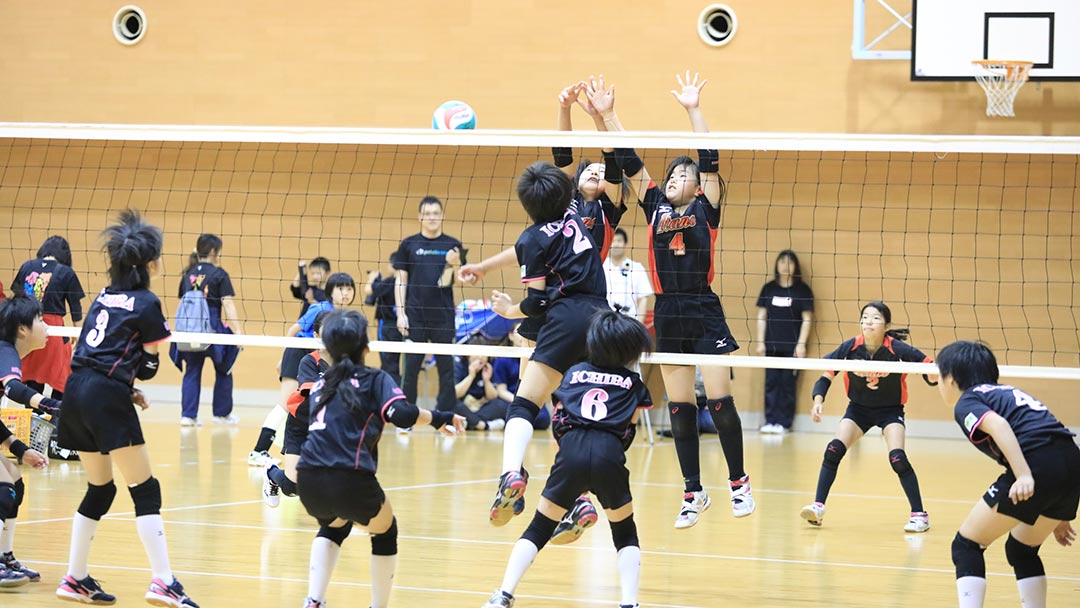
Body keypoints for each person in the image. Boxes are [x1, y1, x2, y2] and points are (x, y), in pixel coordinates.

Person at [593, 72, 755, 528]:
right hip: (668, 311)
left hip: (702, 307)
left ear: (698, 186)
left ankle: (739, 483)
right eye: (671, 174)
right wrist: (609, 115)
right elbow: (629, 160)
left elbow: (709, 158)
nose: (675, 178)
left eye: (684, 175)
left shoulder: (707, 208)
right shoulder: (655, 207)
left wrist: (693, 110)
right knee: (680, 408)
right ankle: (693, 492)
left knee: (719, 401)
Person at [55, 210, 199, 607]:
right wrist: (132, 380)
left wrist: (123, 387)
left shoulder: (103, 296)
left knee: (100, 489)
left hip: (76, 389)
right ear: (150, 263)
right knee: (145, 489)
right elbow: (149, 367)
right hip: (104, 395)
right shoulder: (147, 302)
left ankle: (75, 577)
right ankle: (163, 581)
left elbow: (95, 354)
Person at [482, 310, 652, 608]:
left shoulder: (571, 374)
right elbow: (630, 431)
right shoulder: (635, 384)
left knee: (539, 528)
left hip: (571, 452)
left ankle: (503, 595)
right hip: (610, 454)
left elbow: (558, 420)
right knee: (625, 532)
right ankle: (629, 603)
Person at [296, 309, 465, 608]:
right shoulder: (374, 379)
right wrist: (440, 417)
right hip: (348, 477)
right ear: (367, 347)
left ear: (328, 348)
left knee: (335, 525)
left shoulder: (322, 383)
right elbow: (401, 414)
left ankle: (314, 601)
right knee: (386, 531)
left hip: (308, 479)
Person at [482, 161, 610, 538]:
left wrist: (509, 311)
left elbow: (537, 303)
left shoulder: (532, 239)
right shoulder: (574, 213)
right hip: (601, 320)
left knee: (525, 403)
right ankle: (580, 498)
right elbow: (562, 165)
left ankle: (510, 474)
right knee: (569, 414)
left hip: (565, 318)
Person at [936, 340, 1079, 608]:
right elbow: (1052, 440)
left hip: (1037, 464)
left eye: (938, 376)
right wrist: (1058, 512)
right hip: (1072, 466)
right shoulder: (1006, 391)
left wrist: (1024, 475)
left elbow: (998, 425)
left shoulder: (968, 401)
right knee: (1021, 550)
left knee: (966, 545)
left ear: (951, 379)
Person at [800, 301, 934, 533]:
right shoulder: (851, 347)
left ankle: (920, 515)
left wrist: (936, 376)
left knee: (898, 458)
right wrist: (818, 401)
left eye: (875, 318)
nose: (868, 322)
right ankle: (818, 507)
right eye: (864, 317)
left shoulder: (897, 349)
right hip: (858, 410)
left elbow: (929, 367)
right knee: (833, 449)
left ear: (886, 325)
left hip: (890, 411)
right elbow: (826, 374)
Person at [249, 273, 355, 467]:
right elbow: (293, 330)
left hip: (320, 357)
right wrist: (283, 357)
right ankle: (258, 451)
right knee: (285, 403)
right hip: (299, 353)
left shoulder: (344, 316)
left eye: (349, 289)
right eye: (341, 289)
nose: (346, 293)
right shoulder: (320, 308)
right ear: (330, 292)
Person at [0, 295, 53, 588]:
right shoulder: (5, 353)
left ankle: (4, 556)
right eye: (40, 320)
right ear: (22, 329)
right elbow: (14, 389)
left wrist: (20, 450)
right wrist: (50, 404)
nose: (46, 327)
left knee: (14, 480)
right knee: (2, 487)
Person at [395, 196, 465, 414]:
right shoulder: (408, 244)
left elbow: (458, 281)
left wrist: (455, 264)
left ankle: (446, 416)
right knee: (411, 368)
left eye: (436, 213)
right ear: (420, 217)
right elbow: (401, 280)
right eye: (427, 213)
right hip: (415, 316)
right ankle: (407, 416)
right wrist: (401, 314)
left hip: (443, 317)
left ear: (442, 216)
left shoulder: (453, 245)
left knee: (447, 370)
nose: (432, 217)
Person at [170, 233, 243, 427]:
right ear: (212, 251)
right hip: (213, 328)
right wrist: (238, 332)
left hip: (190, 328)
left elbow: (185, 305)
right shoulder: (219, 274)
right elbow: (227, 303)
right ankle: (221, 414)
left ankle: (188, 416)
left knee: (192, 370)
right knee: (224, 368)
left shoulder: (188, 274)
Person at [262, 311, 331, 507]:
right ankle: (272, 473)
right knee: (292, 487)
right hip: (301, 424)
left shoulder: (346, 363)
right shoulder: (309, 361)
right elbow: (314, 395)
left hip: (327, 426)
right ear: (316, 336)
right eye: (327, 331)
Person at [11, 235, 85, 400]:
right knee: (62, 375)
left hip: (28, 326)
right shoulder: (66, 272)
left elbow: (16, 299)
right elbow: (75, 307)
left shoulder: (27, 266)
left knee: (33, 374)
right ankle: (55, 411)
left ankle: (33, 412)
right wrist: (77, 332)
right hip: (54, 329)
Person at [755, 249, 814, 433]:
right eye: (782, 261)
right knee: (771, 383)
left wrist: (801, 344)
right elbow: (761, 316)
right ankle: (770, 421)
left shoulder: (802, 290)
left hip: (792, 347)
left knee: (788, 385)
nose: (785, 266)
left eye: (789, 262)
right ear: (777, 265)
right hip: (771, 345)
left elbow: (807, 319)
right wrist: (760, 342)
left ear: (795, 266)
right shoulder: (769, 288)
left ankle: (784, 423)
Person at [364, 253, 401, 385]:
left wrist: (372, 278)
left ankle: (391, 390)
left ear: (393, 264)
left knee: (388, 362)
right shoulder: (405, 282)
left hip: (387, 325)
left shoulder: (391, 281)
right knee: (393, 362)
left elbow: (369, 290)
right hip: (400, 327)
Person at [604, 228, 653, 324]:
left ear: (625, 244)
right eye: (613, 241)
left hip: (630, 322)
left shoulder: (637, 267)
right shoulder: (601, 266)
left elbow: (643, 298)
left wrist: (639, 325)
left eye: (619, 241)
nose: (616, 244)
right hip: (605, 322)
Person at [452, 353, 509, 431]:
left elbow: (493, 397)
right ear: (468, 355)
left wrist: (486, 380)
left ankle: (469, 423)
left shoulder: (489, 366)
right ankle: (484, 425)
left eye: (484, 354)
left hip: (481, 409)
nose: (480, 357)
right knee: (452, 403)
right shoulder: (458, 365)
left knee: (502, 405)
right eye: (476, 353)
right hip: (463, 406)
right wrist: (471, 376)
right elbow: (455, 394)